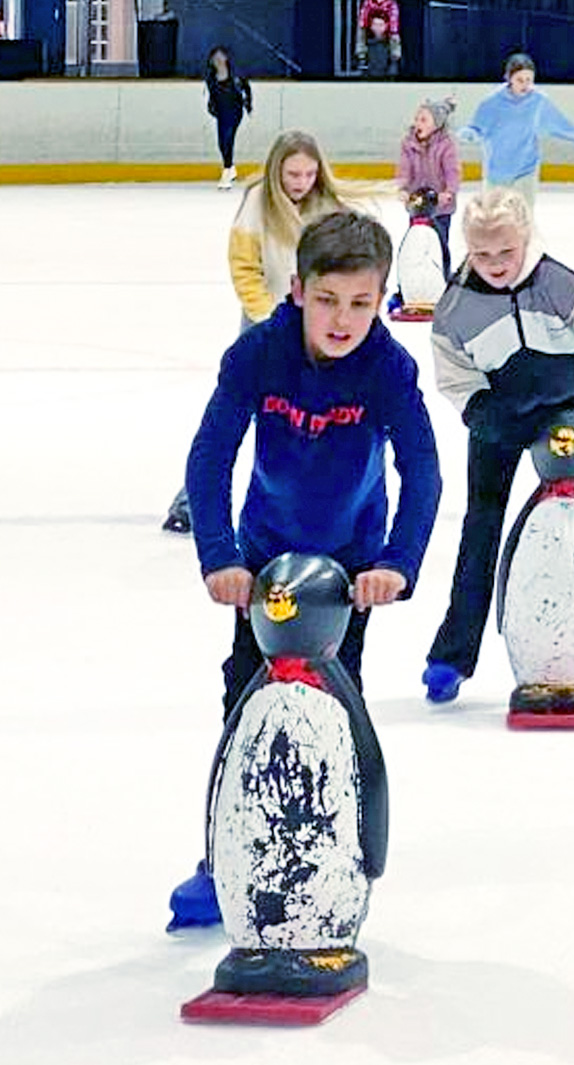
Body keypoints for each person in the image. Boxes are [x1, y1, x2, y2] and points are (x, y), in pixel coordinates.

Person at [167, 210, 442, 929]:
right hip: (264, 563)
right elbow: (209, 455)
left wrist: (396, 563)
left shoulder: (387, 366)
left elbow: (423, 468)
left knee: (332, 710)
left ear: (381, 299)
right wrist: (221, 558)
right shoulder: (258, 354)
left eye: (359, 302)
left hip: (348, 570)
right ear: (297, 290)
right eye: (327, 300)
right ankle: (222, 852)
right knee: (244, 704)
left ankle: (336, 847)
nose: (342, 318)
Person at [422, 188, 574, 704]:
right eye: (482, 254)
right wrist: (482, 413)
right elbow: (454, 375)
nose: (496, 264)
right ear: (466, 248)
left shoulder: (559, 284)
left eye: (506, 251)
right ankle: (452, 654)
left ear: (525, 238)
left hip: (564, 414)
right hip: (497, 416)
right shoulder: (456, 306)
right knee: (480, 530)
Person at [162, 129, 379, 533]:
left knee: (306, 421)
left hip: (318, 332)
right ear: (276, 171)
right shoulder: (256, 206)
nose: (300, 183)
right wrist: (269, 322)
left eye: (309, 174)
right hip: (265, 329)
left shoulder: (328, 209)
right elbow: (245, 270)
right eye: (293, 175)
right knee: (232, 416)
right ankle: (190, 502)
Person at [457, 52, 574, 212]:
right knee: (493, 220)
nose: (525, 84)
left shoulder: (538, 101)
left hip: (526, 169)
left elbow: (559, 125)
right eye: (520, 80)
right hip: (497, 171)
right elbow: (477, 128)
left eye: (529, 80)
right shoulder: (491, 102)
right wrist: (469, 133)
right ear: (509, 78)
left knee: (523, 219)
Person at [395, 96, 461, 281]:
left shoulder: (446, 145)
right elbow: (404, 168)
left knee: (440, 244)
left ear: (437, 124)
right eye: (417, 118)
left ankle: (443, 277)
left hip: (441, 207)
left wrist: (449, 191)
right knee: (415, 243)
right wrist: (403, 187)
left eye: (423, 119)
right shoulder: (408, 143)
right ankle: (410, 281)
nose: (417, 123)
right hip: (417, 204)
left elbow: (452, 171)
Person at [204, 45, 252, 191]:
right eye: (215, 58)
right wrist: (211, 106)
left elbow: (247, 88)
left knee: (228, 138)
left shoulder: (236, 75)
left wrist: (248, 103)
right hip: (221, 113)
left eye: (220, 57)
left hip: (235, 111)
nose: (218, 60)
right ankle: (230, 168)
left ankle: (226, 172)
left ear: (226, 58)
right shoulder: (211, 78)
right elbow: (211, 95)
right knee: (222, 142)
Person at [355, 0, 401, 78]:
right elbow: (363, 18)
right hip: (371, 27)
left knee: (394, 35)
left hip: (386, 28)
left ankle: (394, 60)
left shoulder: (391, 4)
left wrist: (384, 27)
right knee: (360, 32)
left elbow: (394, 22)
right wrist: (372, 25)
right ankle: (362, 59)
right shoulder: (368, 3)